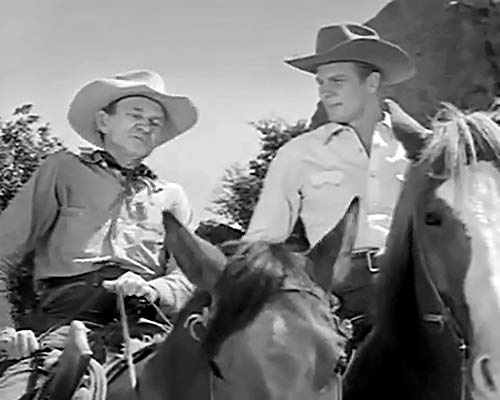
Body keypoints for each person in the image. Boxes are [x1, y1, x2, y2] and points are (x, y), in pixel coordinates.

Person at [0, 69, 198, 398]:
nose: (146, 126)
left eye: (155, 122)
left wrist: (153, 288)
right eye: (136, 115)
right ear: (104, 121)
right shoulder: (63, 169)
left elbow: (189, 277)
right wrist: (5, 329)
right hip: (63, 324)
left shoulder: (172, 197)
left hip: (146, 326)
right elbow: (2, 254)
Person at [243, 23, 429, 339]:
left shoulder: (422, 149)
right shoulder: (298, 154)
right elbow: (262, 241)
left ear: (372, 83)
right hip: (334, 296)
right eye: (320, 83)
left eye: (337, 81)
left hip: (414, 288)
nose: (325, 92)